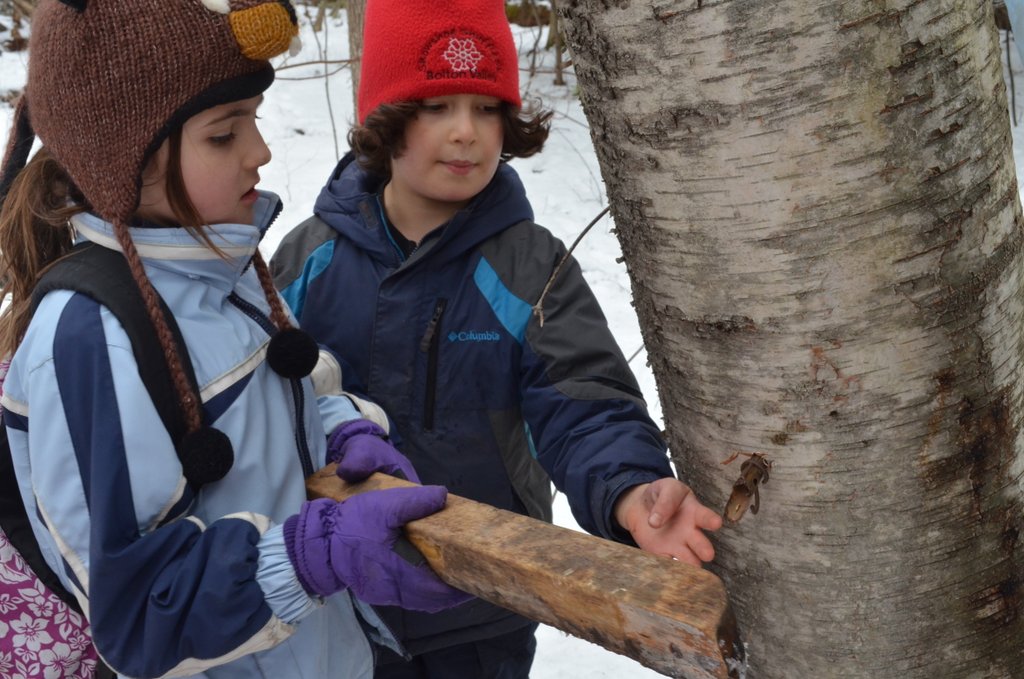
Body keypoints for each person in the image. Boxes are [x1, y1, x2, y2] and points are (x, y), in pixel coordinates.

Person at [0, 2, 468, 678]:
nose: (262, 150)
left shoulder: (220, 269)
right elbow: (138, 613)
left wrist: (341, 431)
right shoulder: (92, 340)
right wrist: (316, 554)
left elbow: (279, 398)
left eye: (253, 119)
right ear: (121, 162)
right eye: (225, 133)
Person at [270, 0, 725, 677]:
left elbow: (583, 399)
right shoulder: (309, 259)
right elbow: (260, 397)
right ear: (387, 115)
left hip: (479, 608)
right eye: (437, 106)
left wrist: (630, 488)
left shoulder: (527, 265)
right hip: (336, 600)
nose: (467, 133)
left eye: (486, 108)